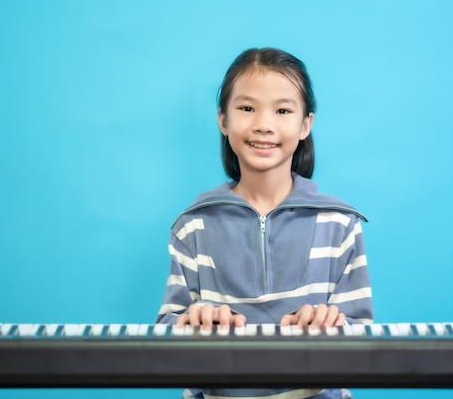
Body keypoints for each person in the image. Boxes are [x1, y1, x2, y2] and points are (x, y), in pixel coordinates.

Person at [156, 47, 373, 399]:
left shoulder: (341, 224)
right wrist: (193, 321)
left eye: (283, 110)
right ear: (223, 121)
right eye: (246, 108)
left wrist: (331, 325)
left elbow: (362, 339)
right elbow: (167, 333)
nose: (263, 124)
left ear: (306, 125)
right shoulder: (192, 225)